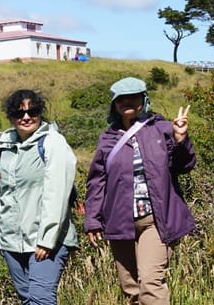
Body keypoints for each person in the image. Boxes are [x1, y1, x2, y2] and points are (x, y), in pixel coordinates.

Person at [84, 77, 195, 305]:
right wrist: (92, 220)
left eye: (133, 97)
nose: (127, 102)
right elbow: (97, 181)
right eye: (121, 99)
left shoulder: (162, 129)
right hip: (120, 221)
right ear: (114, 105)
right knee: (131, 291)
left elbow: (183, 165)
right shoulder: (107, 138)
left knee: (151, 284)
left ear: (143, 100)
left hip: (155, 220)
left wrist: (181, 139)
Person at [0, 89, 79, 305]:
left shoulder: (53, 142)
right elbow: (4, 194)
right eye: (19, 112)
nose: (26, 117)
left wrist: (47, 239)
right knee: (27, 300)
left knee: (41, 300)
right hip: (12, 242)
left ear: (40, 113)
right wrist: (3, 239)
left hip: (45, 241)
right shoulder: (4, 146)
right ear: (10, 116)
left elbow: (57, 193)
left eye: (32, 111)